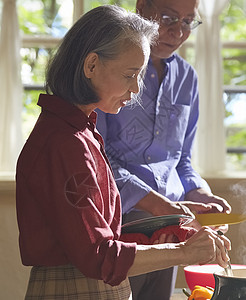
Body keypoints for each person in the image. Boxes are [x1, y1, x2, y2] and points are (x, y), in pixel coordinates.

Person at [16, 4, 230, 300]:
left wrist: (158, 237)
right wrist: (182, 251)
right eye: (130, 74)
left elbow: (99, 238)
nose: (136, 89)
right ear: (91, 66)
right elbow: (97, 255)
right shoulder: (65, 143)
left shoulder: (82, 133)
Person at [95, 0, 232, 299]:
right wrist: (155, 204)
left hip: (170, 225)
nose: (177, 31)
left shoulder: (187, 79)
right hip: (118, 222)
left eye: (187, 22)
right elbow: (97, 160)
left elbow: (181, 161)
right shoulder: (111, 71)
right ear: (141, 7)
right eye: (169, 17)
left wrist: (200, 194)